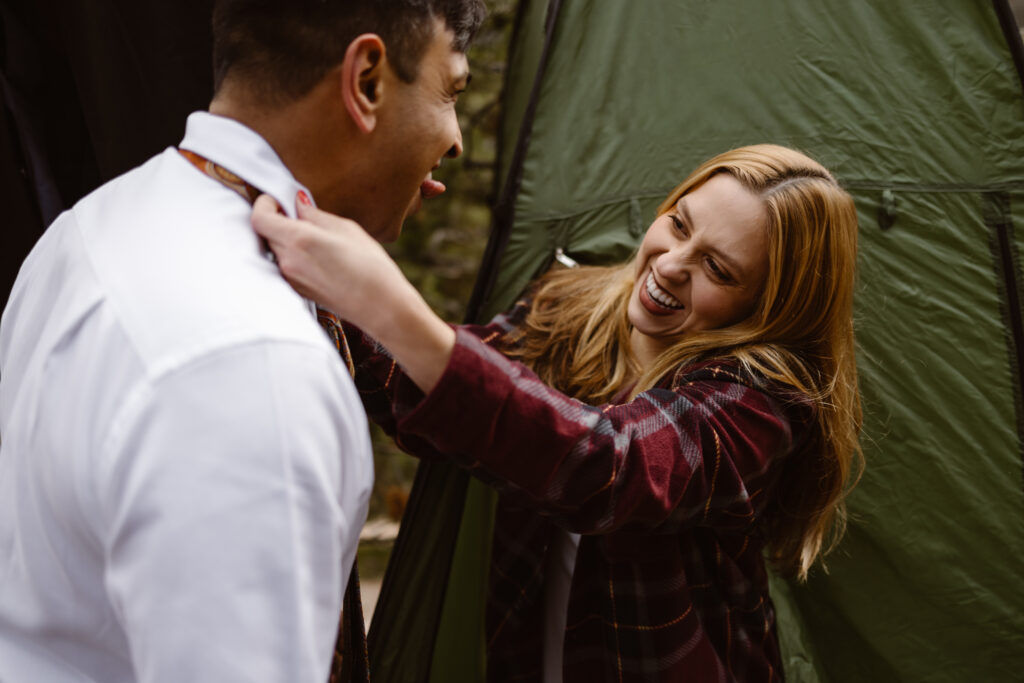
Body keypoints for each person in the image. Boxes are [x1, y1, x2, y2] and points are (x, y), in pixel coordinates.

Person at [0, 1, 486, 681]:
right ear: (367, 80)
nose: (457, 138)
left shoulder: (82, 231)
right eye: (451, 90)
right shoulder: (255, 365)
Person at [251, 143, 863, 682]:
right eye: (679, 224)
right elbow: (434, 391)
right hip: (532, 657)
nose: (672, 264)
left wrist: (386, 302)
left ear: (767, 307)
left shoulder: (762, 404)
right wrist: (324, 273)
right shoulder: (569, 306)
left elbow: (608, 468)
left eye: (719, 269)